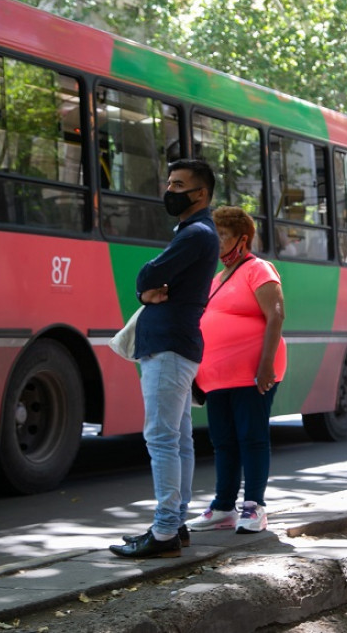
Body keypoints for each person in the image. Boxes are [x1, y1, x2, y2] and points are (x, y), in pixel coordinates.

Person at [110, 159, 219, 559]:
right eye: (169, 183)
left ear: (201, 194)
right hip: (176, 344)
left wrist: (145, 290)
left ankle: (165, 530)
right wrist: (148, 292)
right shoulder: (196, 233)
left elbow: (146, 275)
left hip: (170, 346)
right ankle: (176, 522)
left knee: (162, 438)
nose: (169, 191)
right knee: (177, 438)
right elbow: (151, 283)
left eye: (179, 184)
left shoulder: (196, 234)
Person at [189, 206, 286, 535]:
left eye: (222, 237)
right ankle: (223, 507)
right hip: (217, 378)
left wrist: (265, 365)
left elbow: (276, 315)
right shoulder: (216, 279)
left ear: (242, 240)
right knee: (224, 441)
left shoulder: (258, 269)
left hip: (252, 375)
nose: (216, 244)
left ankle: (254, 507)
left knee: (252, 438)